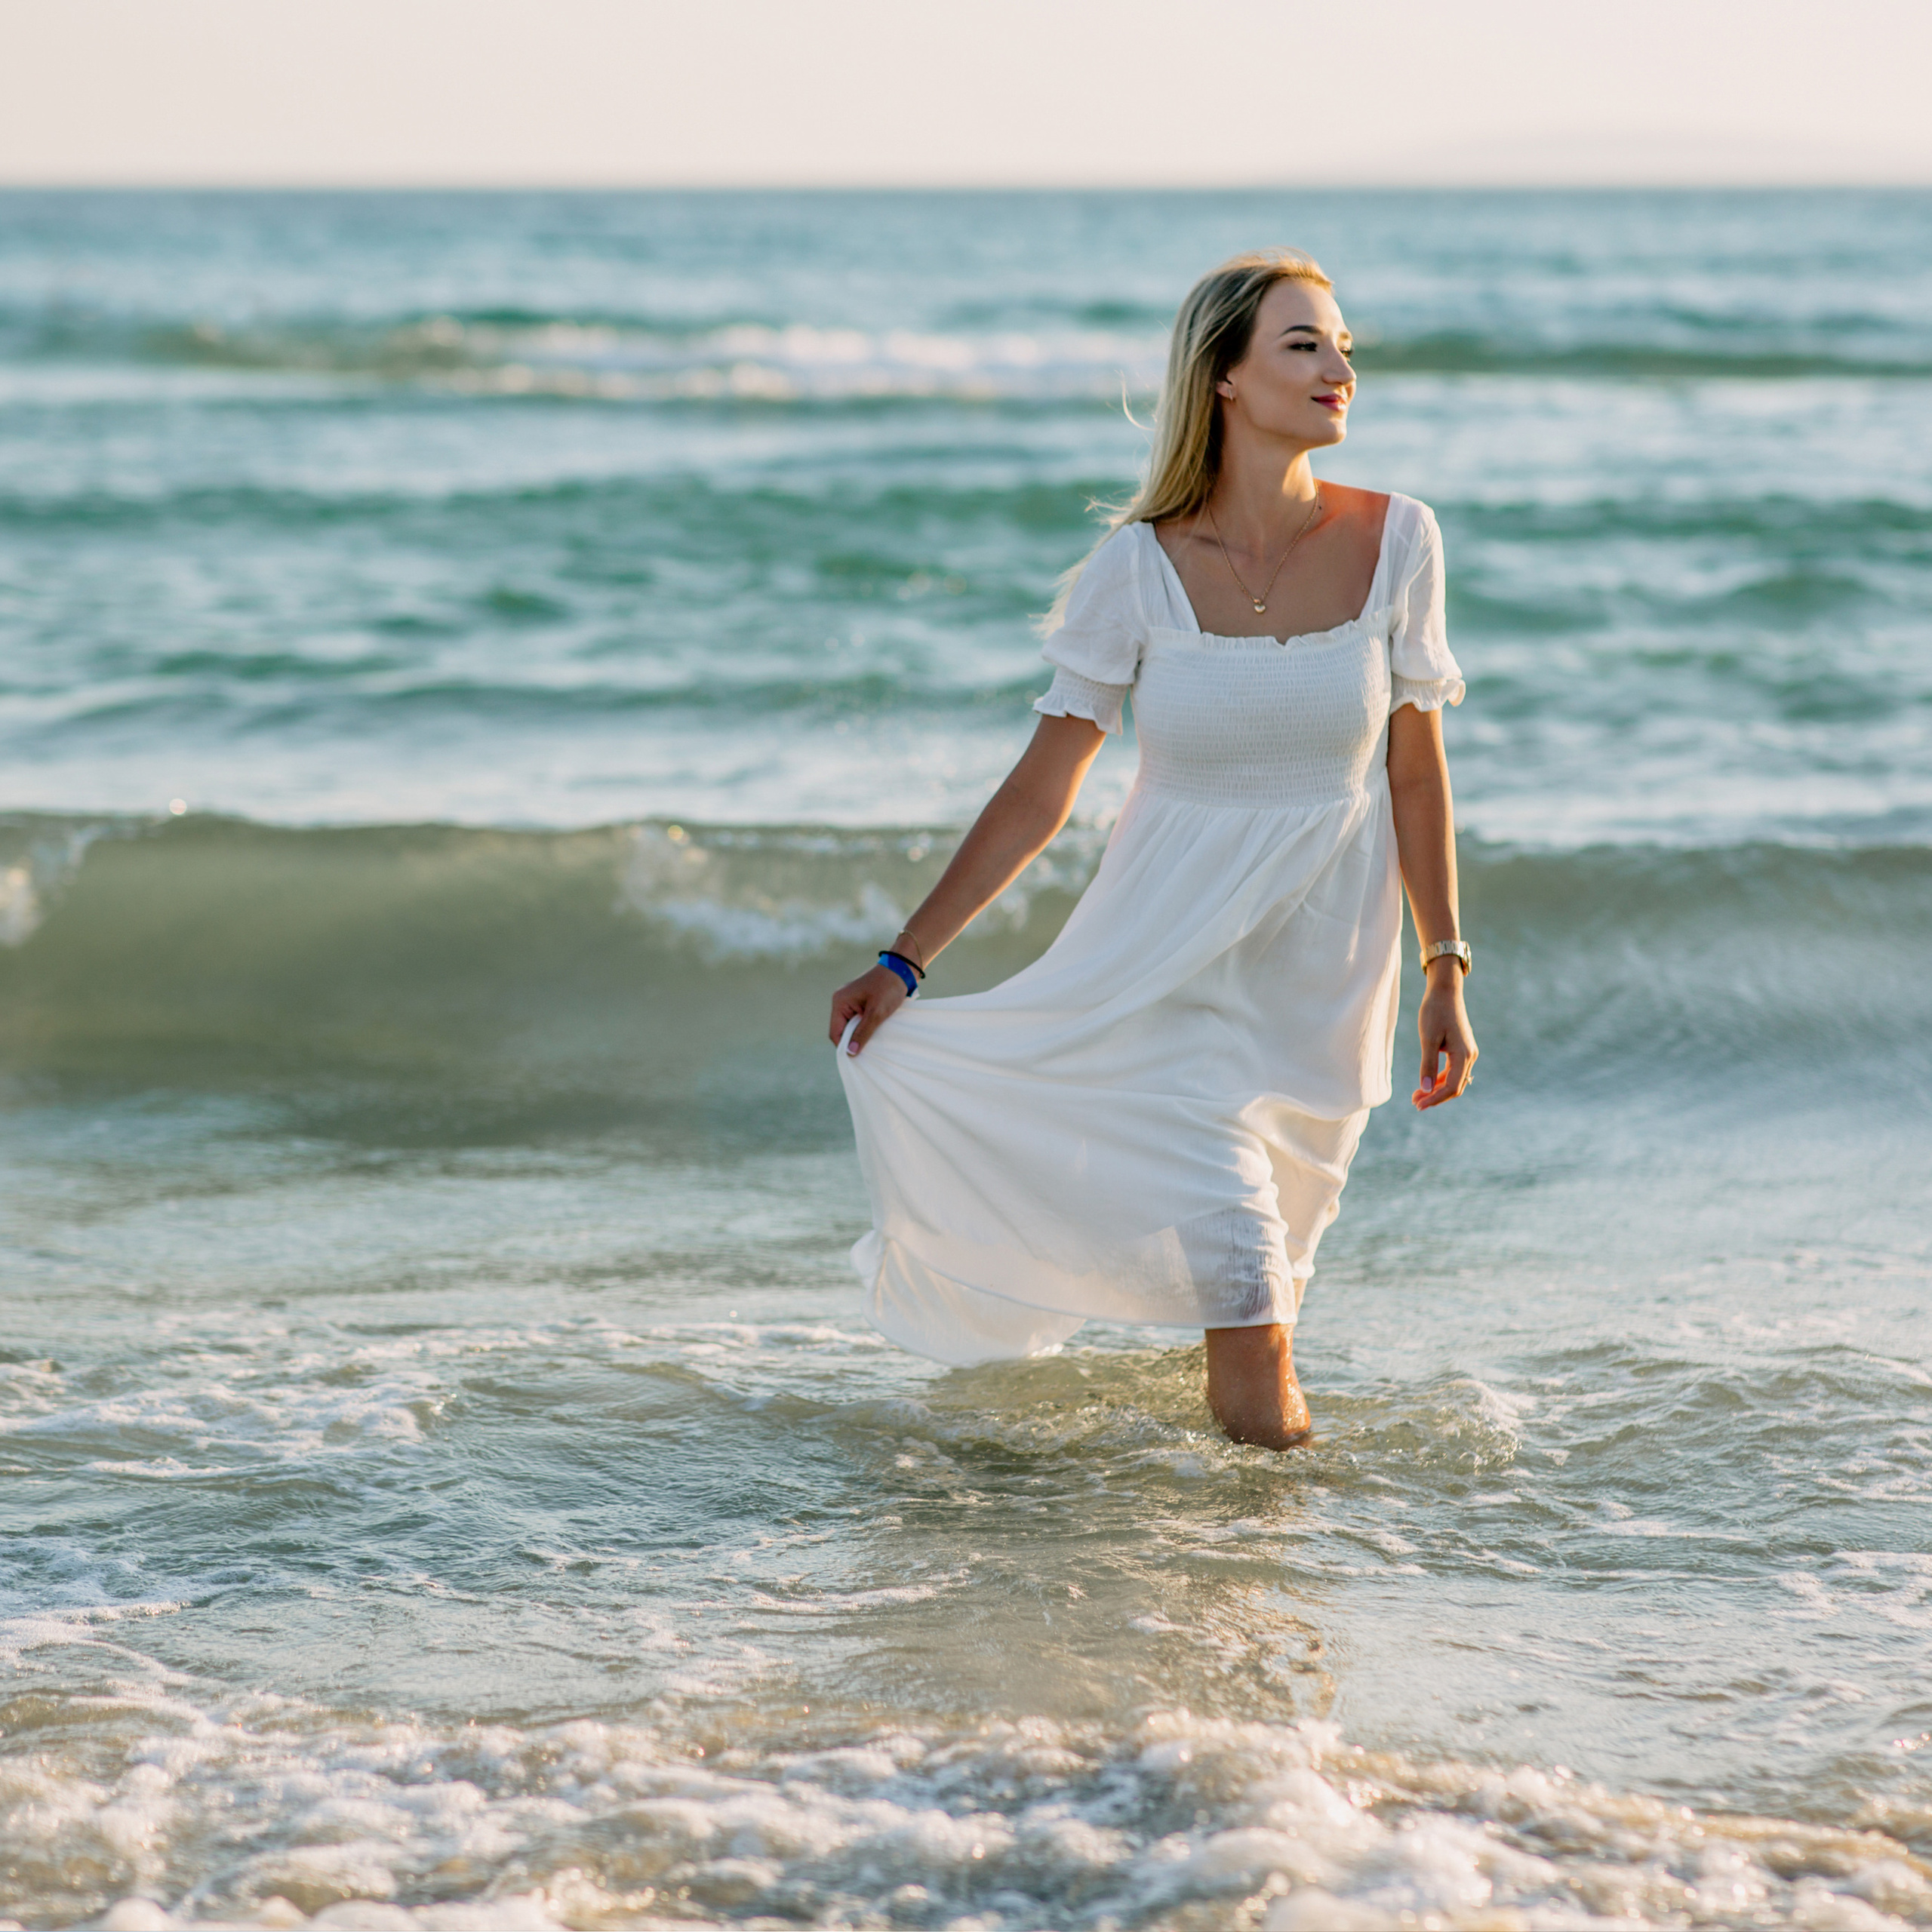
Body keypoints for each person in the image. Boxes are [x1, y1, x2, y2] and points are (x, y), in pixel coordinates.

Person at [827, 248, 1477, 1450]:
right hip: (1163, 974)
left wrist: (1446, 966)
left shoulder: (1402, 543)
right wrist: (906, 960)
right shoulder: (1138, 570)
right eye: (1304, 345)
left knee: (1268, 1281)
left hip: (1316, 986)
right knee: (1247, 1287)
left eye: (1344, 348)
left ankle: (1220, 1575)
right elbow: (1042, 788)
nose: (1340, 369)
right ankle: (1283, 1565)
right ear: (1224, 378)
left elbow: (1415, 768)